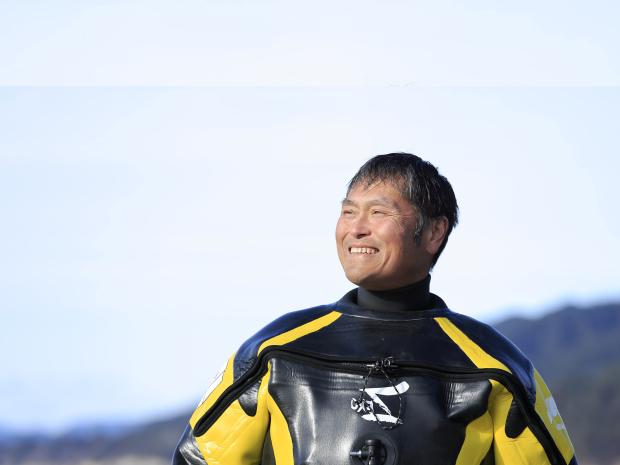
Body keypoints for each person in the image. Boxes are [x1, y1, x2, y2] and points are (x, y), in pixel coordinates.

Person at [172, 153, 578, 465]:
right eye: (348, 211)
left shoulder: (494, 367)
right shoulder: (274, 351)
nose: (356, 227)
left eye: (378, 212)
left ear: (434, 232)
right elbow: (198, 458)